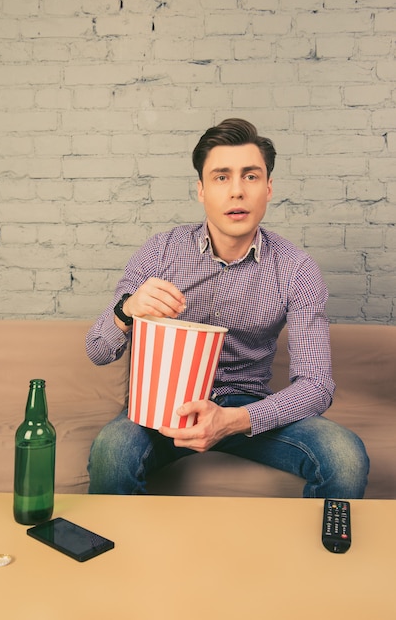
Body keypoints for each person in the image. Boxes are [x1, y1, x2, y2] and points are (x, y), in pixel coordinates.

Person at [86, 118, 369, 498]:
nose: (237, 191)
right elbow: (97, 351)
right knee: (111, 452)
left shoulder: (297, 269)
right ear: (201, 190)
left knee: (345, 456)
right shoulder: (160, 252)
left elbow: (316, 386)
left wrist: (233, 420)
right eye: (221, 177)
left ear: (268, 188)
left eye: (250, 177)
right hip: (164, 411)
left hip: (245, 409)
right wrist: (128, 309)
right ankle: (121, 554)